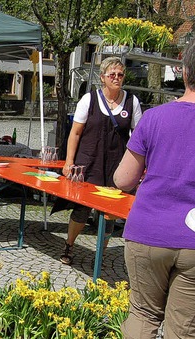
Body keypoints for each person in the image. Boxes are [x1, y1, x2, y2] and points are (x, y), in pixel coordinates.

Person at [113, 43, 195, 338]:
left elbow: (123, 180)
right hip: (193, 241)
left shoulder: (154, 117)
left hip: (148, 230)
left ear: (184, 72)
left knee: (143, 315)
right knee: (184, 328)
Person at [58, 56, 142, 265]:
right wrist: (69, 162)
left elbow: (139, 137)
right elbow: (75, 133)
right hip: (90, 161)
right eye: (112, 74)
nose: (116, 78)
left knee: (110, 212)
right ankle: (69, 244)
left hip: (117, 164)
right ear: (102, 77)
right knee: (82, 208)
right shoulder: (89, 99)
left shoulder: (132, 102)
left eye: (120, 74)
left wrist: (139, 168)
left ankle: (100, 254)